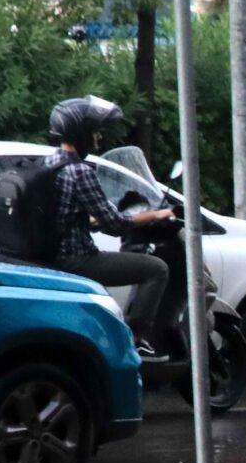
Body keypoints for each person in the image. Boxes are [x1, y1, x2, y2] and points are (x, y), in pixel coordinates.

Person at [42, 97, 175, 354]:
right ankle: (135, 339)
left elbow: (64, 211)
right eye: (94, 133)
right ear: (81, 134)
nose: (98, 139)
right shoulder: (80, 171)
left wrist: (88, 220)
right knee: (156, 269)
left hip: (52, 254)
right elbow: (115, 224)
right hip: (76, 259)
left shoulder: (49, 163)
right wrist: (156, 215)